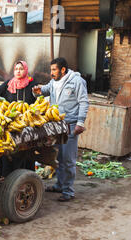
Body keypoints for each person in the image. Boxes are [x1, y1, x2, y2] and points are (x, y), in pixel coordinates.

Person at [33, 57, 89, 202]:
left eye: (54, 70)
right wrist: (37, 90)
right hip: (56, 125)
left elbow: (83, 102)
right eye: (51, 69)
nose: (51, 72)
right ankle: (59, 185)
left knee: (68, 159)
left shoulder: (77, 81)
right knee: (58, 157)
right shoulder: (54, 82)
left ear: (63, 70)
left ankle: (68, 191)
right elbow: (45, 90)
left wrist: (80, 123)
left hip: (70, 125)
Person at [0, 60, 38, 178]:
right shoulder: (9, 83)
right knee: (7, 150)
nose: (18, 71)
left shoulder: (32, 84)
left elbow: (38, 101)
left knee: (26, 152)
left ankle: (25, 178)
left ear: (26, 70)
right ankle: (5, 177)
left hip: (27, 124)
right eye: (16, 69)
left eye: (21, 69)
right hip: (10, 124)